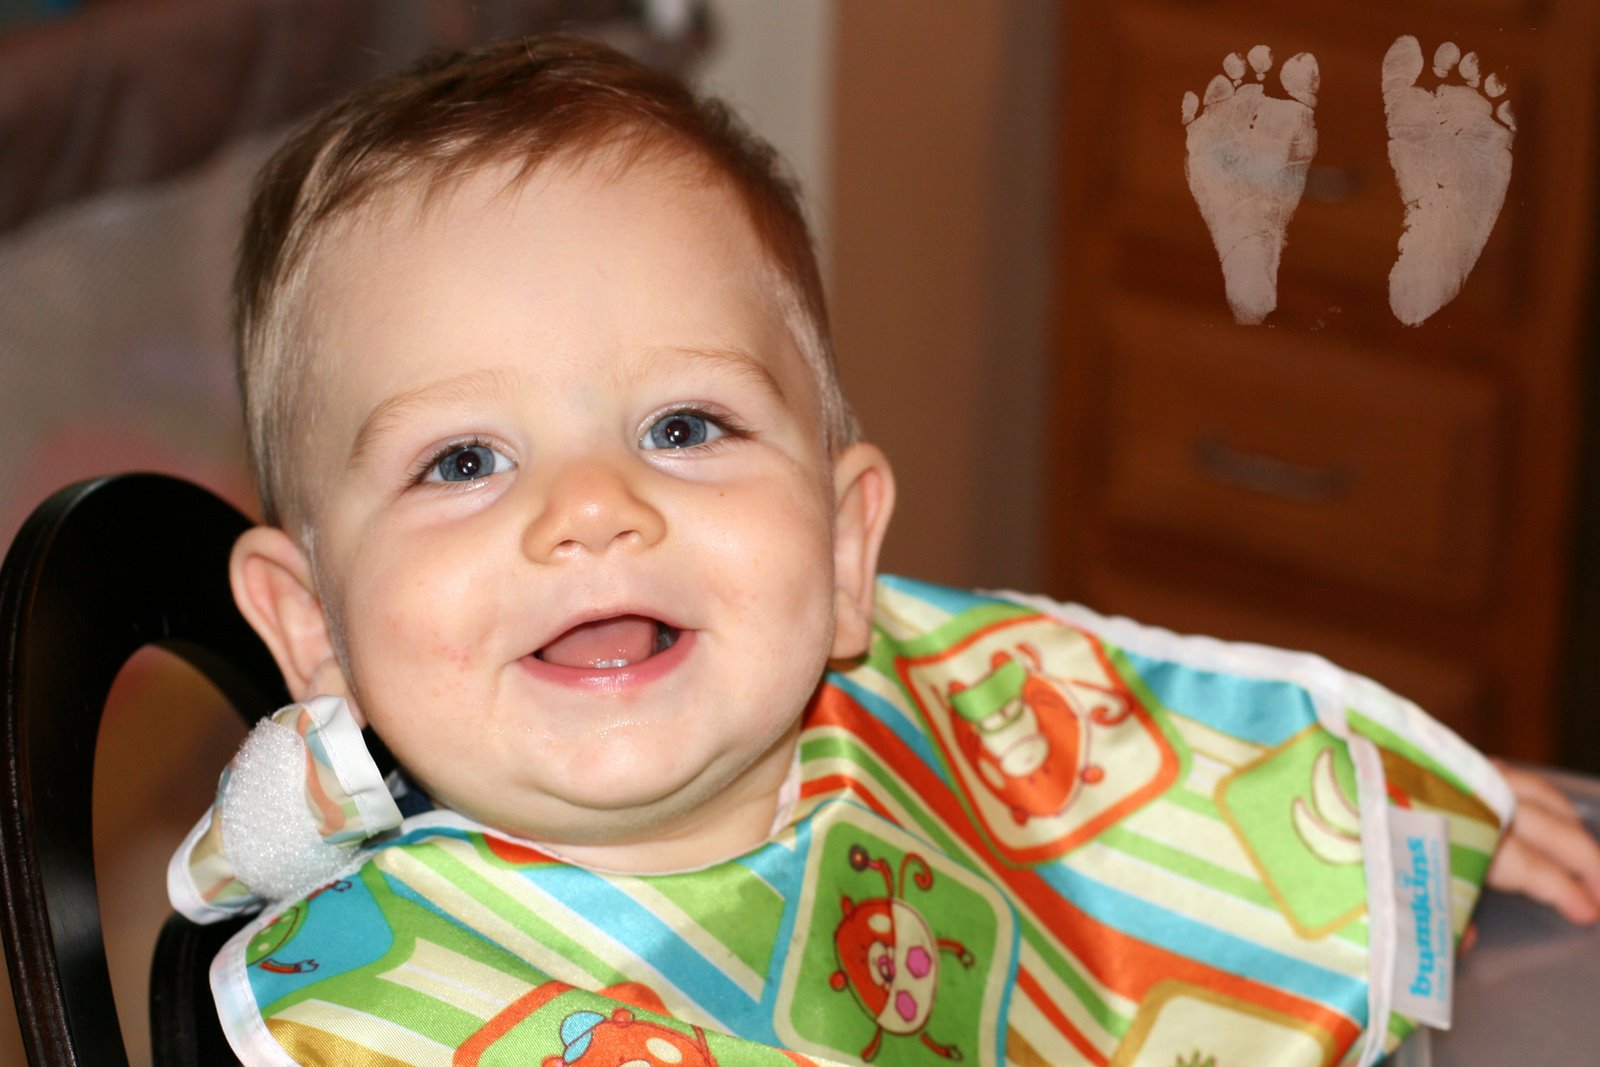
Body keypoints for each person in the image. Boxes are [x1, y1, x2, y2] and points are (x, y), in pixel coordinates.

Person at [170, 33, 1600, 1067]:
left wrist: (1414, 819)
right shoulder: (391, 1015)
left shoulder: (920, 711)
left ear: (847, 552)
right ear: (310, 628)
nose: (592, 507)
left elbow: (1168, 796)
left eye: (683, 424)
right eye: (464, 461)